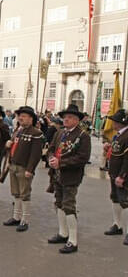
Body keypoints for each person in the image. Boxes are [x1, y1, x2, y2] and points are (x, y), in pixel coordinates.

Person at [47, 104, 91, 254]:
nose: (66, 119)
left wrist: (62, 163)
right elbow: (51, 148)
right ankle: (62, 233)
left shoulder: (83, 136)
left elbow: (82, 158)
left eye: (70, 117)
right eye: (65, 116)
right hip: (57, 174)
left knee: (69, 205)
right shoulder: (60, 133)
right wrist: (51, 158)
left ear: (77, 120)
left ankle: (73, 241)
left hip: (71, 176)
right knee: (59, 202)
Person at [3, 106, 43, 232]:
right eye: (20, 115)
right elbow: (13, 146)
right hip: (14, 164)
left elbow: (35, 154)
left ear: (31, 118)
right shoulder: (18, 130)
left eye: (24, 116)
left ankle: (25, 220)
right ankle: (16, 216)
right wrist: (8, 145)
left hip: (24, 167)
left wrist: (30, 169)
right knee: (16, 193)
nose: (20, 118)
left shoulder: (36, 133)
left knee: (24, 194)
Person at [103, 109, 128, 246]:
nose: (112, 122)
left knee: (126, 202)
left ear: (120, 122)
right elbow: (118, 152)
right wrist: (109, 149)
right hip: (114, 173)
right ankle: (117, 225)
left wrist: (123, 176)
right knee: (115, 199)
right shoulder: (119, 135)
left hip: (122, 175)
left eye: (114, 120)